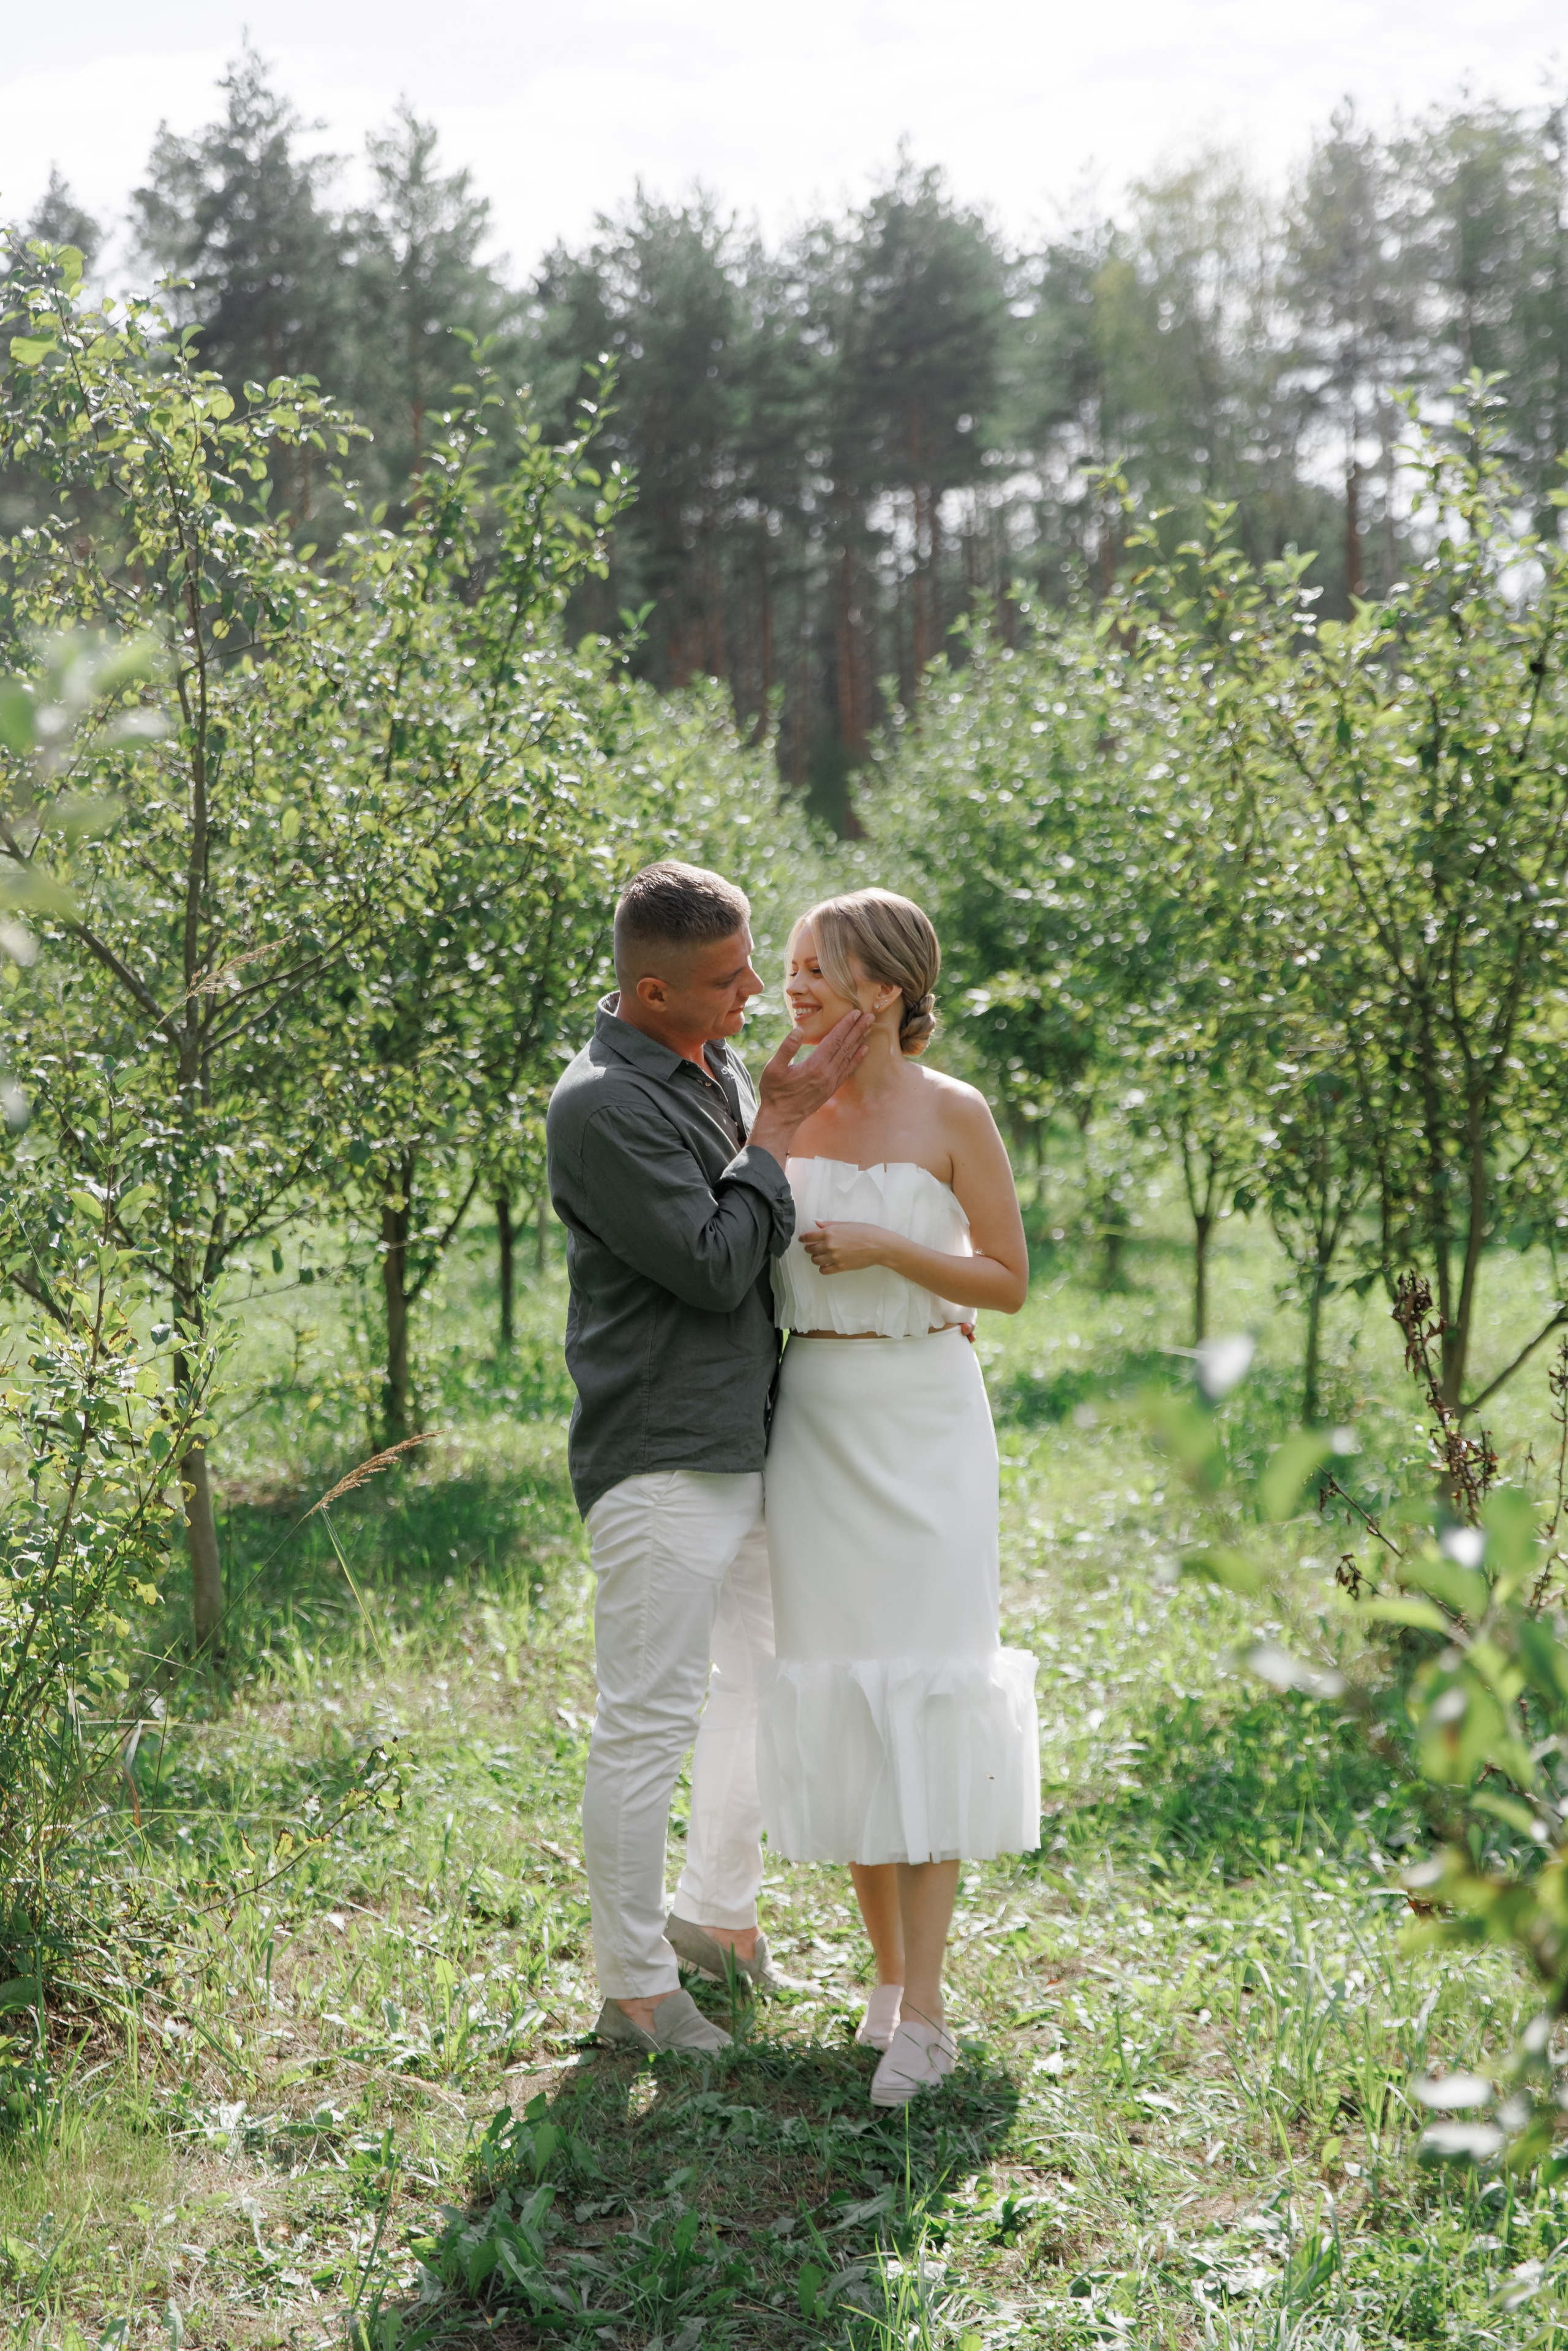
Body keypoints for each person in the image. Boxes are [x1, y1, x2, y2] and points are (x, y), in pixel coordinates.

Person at [546, 860, 869, 2052]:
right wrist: (776, 1127)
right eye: (729, 978)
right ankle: (633, 1983)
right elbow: (715, 1258)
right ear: (650, 988)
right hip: (660, 1447)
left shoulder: (711, 1062)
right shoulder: (599, 1106)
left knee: (761, 1680)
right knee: (647, 1715)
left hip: (747, 1434)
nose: (753, 994)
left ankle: (714, 1912)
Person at [758, 888, 1039, 2105]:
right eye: (790, 967)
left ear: (881, 983)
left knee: (926, 1690)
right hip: (813, 1417)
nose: (795, 988)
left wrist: (886, 1248)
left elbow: (1008, 1278)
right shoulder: (775, 1105)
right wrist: (769, 1124)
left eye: (815, 968)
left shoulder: (952, 1112)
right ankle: (884, 1980)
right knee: (844, 1694)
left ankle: (927, 2014)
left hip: (926, 1412)